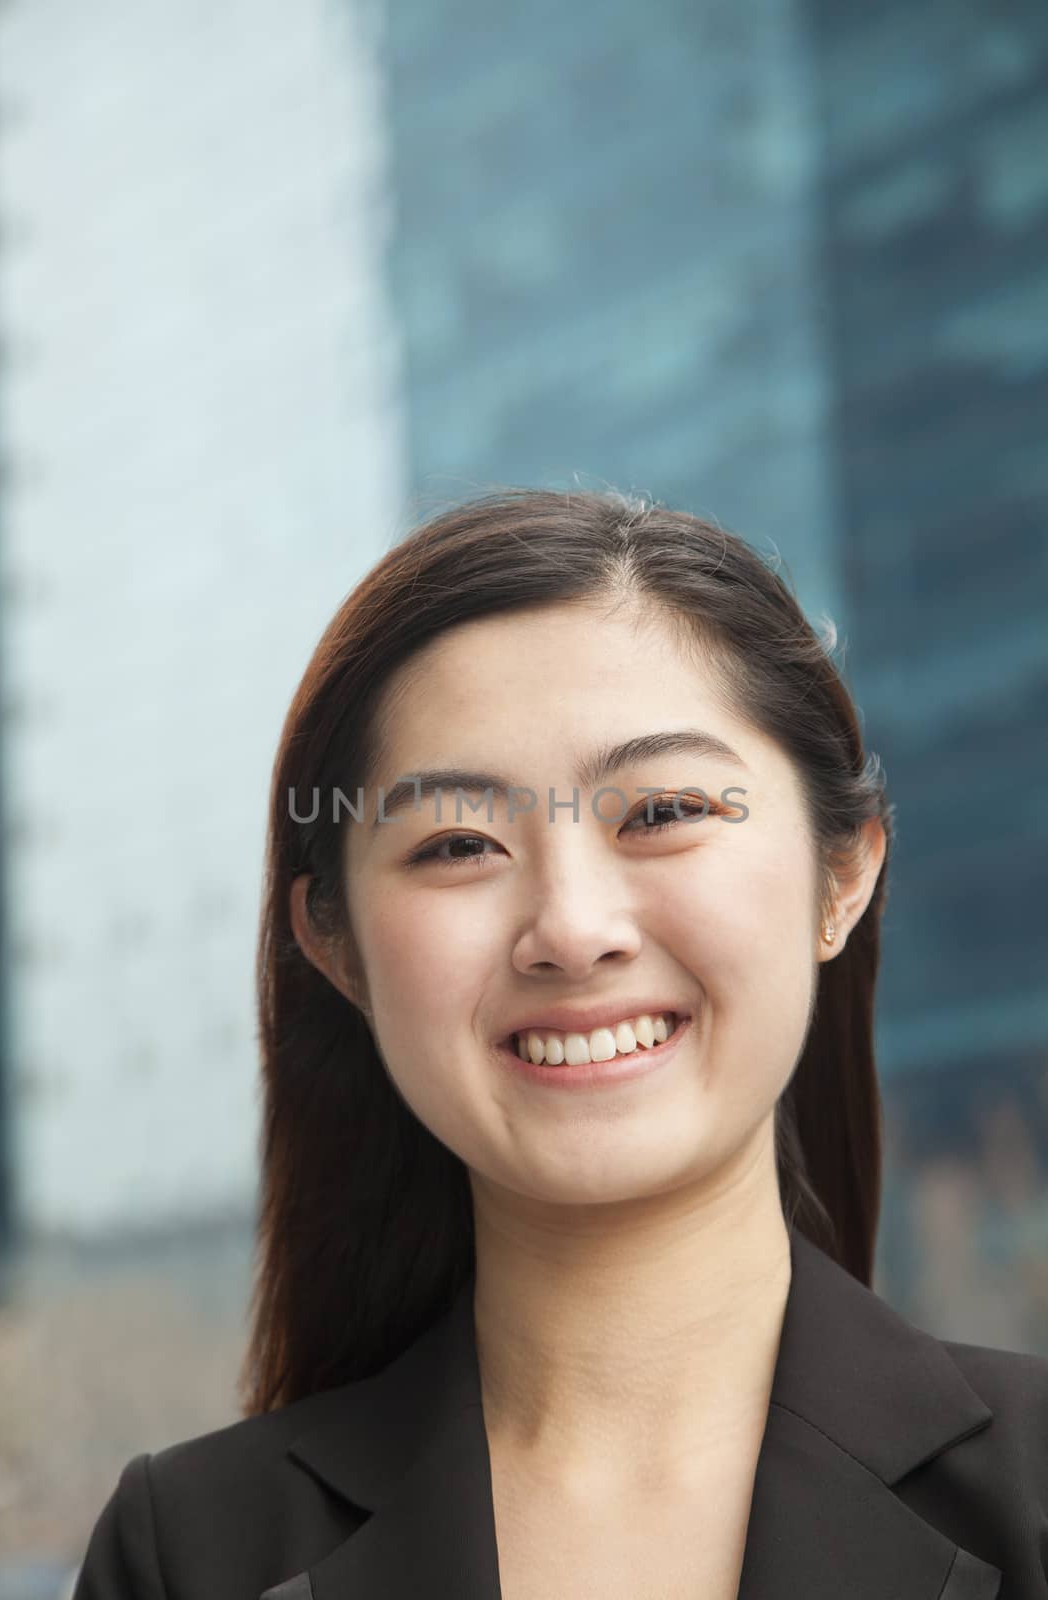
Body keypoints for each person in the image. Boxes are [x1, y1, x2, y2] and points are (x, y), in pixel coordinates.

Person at [73, 489, 1047, 1600]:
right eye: (455, 841)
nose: (572, 930)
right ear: (334, 944)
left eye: (662, 812)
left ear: (841, 873)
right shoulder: (191, 1553)